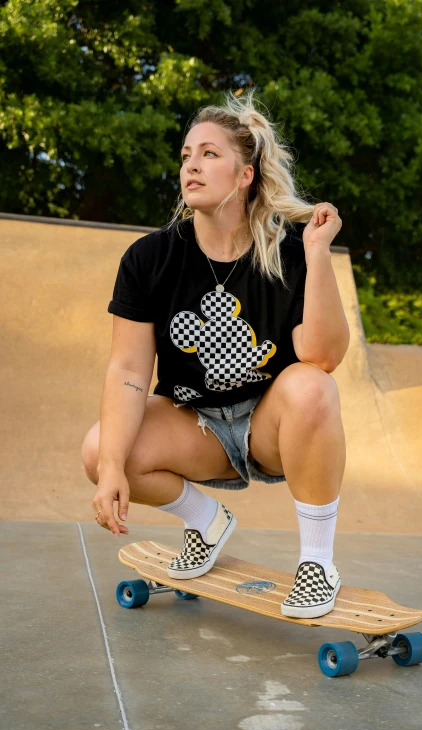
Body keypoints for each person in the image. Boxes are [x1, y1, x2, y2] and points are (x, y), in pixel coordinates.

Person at [81, 87, 350, 620]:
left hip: (266, 427)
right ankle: (205, 520)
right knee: (99, 449)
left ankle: (318, 563)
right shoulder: (150, 258)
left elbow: (321, 356)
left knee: (312, 386)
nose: (191, 166)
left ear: (245, 175)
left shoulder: (288, 256)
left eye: (209, 154)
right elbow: (130, 369)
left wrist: (318, 257)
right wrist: (113, 466)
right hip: (195, 426)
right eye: (186, 155)